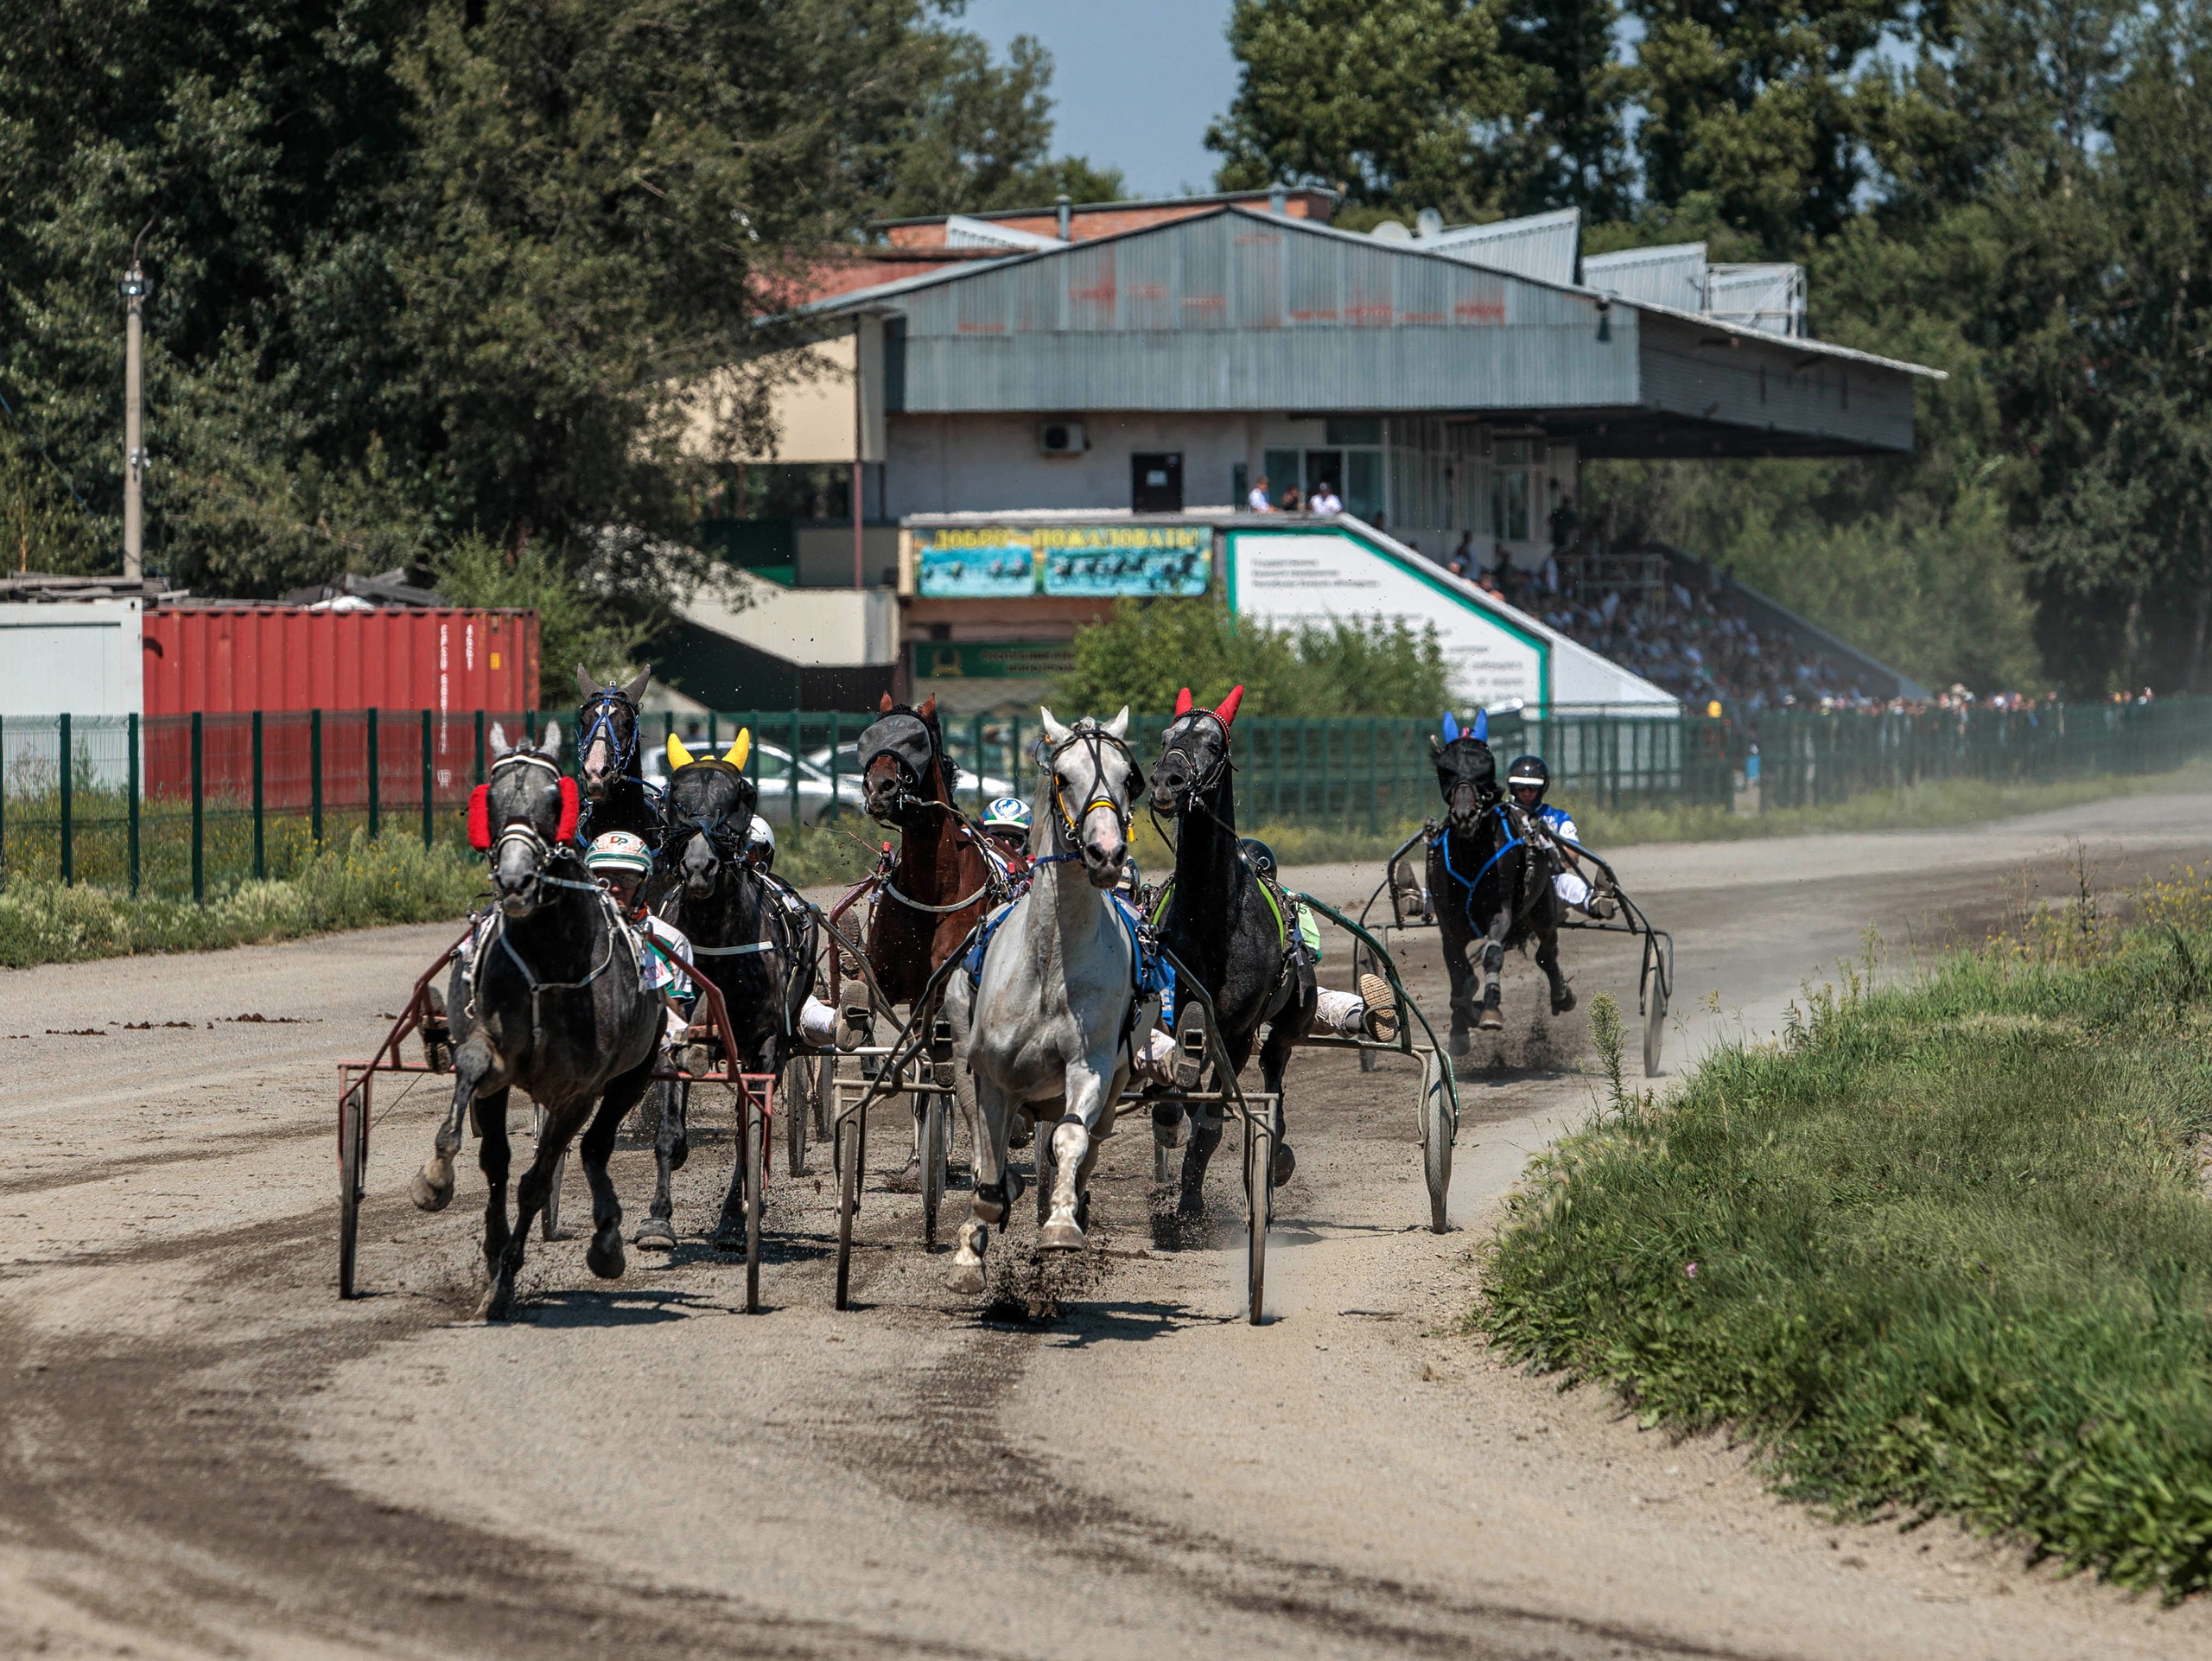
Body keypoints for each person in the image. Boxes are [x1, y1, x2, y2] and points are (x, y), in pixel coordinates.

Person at [1504, 756, 1612, 919]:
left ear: (1542, 789)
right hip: (1507, 888)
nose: (1526, 793)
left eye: (1532, 788)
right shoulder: (1502, 815)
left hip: (1545, 888)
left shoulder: (1557, 817)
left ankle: (1595, 902)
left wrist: (1552, 854)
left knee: (1567, 883)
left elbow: (1573, 857)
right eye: (1520, 787)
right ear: (1512, 787)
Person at [979, 795, 1033, 879]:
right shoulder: (972, 867)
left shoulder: (1038, 872)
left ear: (1027, 840)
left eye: (1014, 839)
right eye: (998, 838)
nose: (1006, 844)